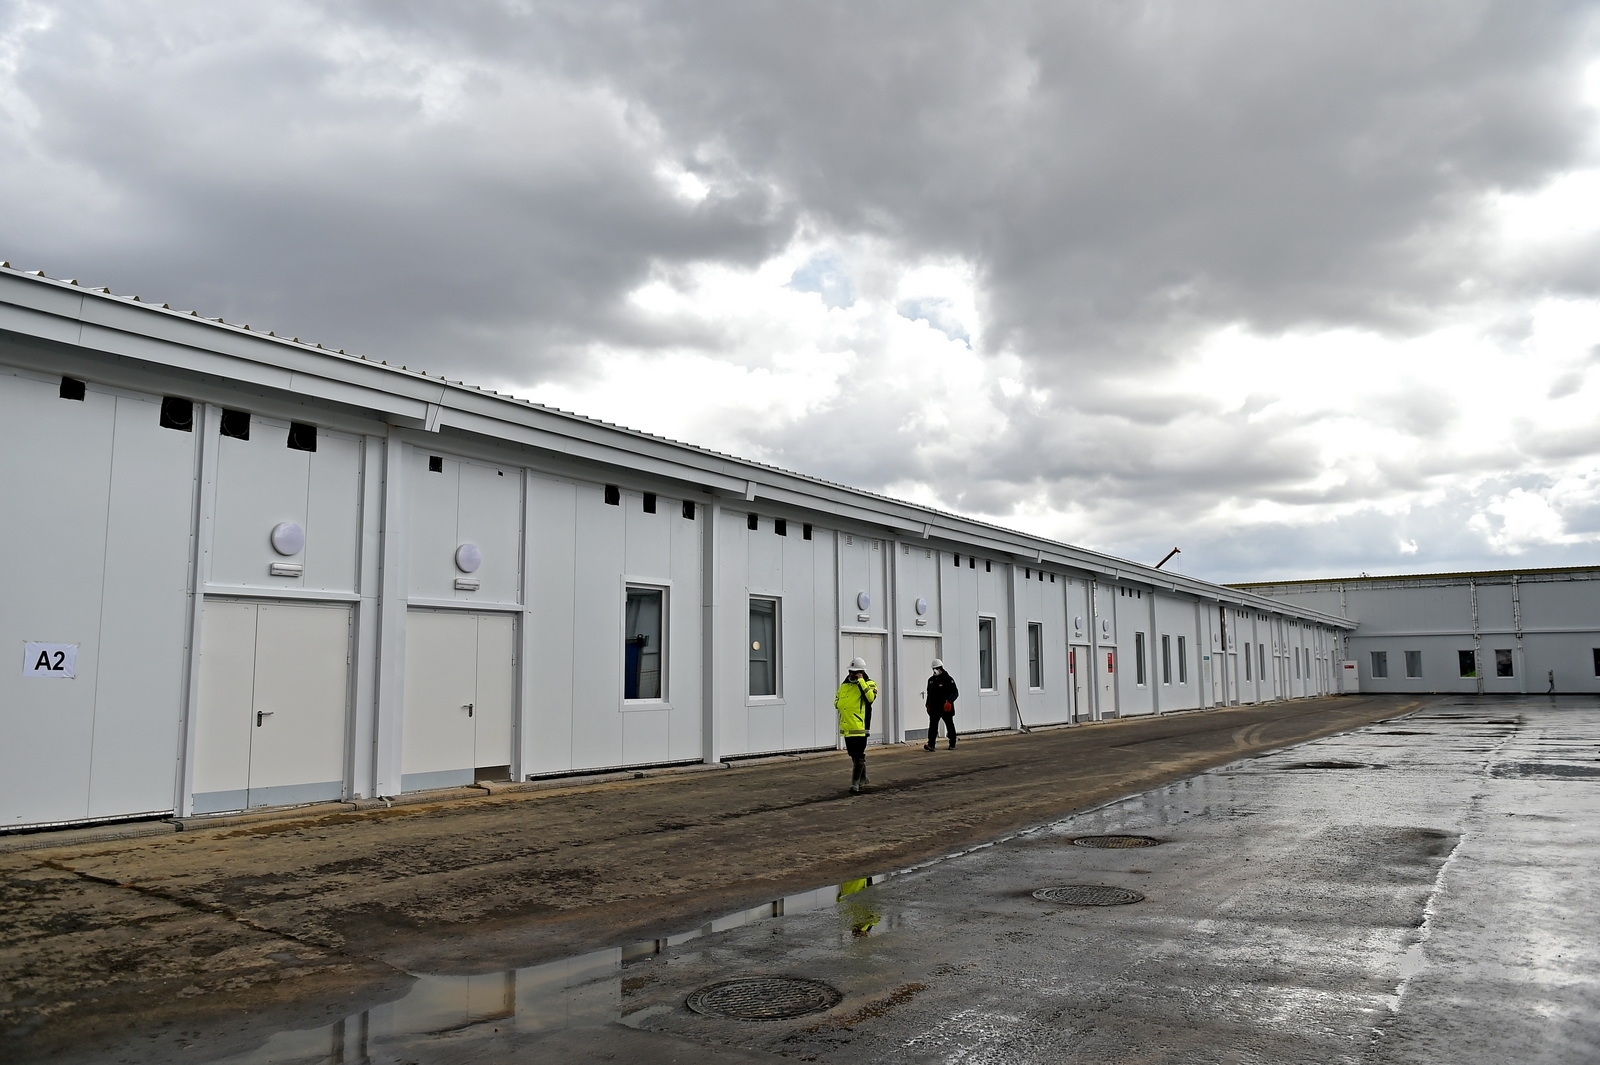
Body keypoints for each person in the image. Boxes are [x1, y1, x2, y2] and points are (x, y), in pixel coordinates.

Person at [836, 657, 878, 794]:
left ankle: (855, 784)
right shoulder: (845, 685)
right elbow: (837, 700)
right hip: (847, 726)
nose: (852, 674)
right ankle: (864, 777)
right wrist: (838, 704)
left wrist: (861, 681)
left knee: (859, 755)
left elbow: (870, 698)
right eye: (851, 671)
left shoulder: (869, 683)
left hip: (860, 726)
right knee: (853, 754)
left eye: (855, 672)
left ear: (862, 672)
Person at [923, 659, 959, 751]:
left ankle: (952, 742)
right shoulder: (931, 680)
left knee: (949, 725)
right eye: (933, 669)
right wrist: (928, 704)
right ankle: (931, 744)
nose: (934, 670)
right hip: (935, 707)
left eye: (936, 668)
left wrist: (949, 701)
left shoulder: (948, 679)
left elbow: (955, 693)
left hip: (946, 707)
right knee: (933, 726)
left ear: (940, 668)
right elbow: (929, 694)